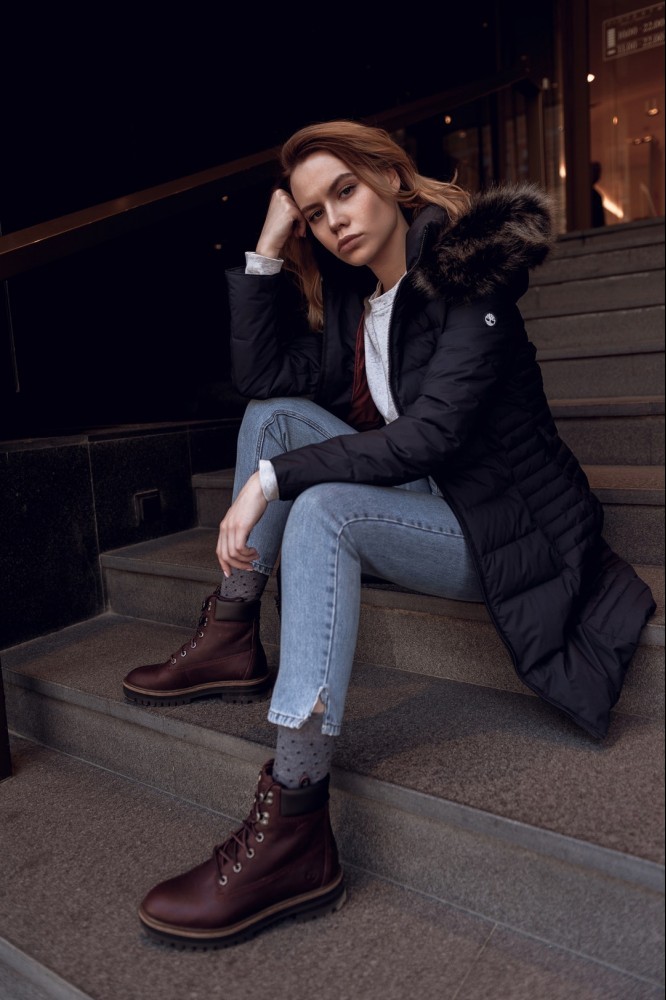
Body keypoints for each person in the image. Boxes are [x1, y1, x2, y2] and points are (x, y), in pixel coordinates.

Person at [122, 120, 655, 949]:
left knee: (322, 504)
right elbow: (263, 381)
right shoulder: (357, 301)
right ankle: (230, 632)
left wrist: (274, 484)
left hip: (508, 527)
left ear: (390, 180)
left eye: (345, 190)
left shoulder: (467, 276)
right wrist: (266, 252)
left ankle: (296, 820)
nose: (335, 219)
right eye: (314, 211)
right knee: (271, 420)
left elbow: (434, 436)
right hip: (432, 498)